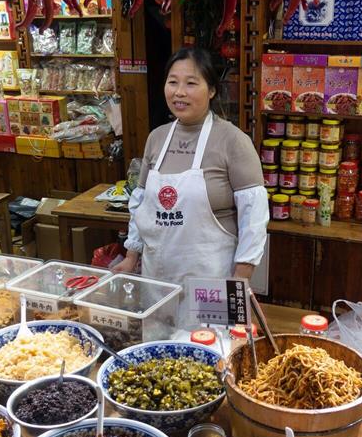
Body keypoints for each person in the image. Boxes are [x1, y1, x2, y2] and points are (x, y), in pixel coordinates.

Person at [114, 47, 269, 286]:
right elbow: (141, 204)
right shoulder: (157, 138)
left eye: (191, 84)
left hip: (212, 278)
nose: (179, 93)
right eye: (173, 82)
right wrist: (131, 255)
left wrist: (241, 276)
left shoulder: (233, 140)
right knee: (158, 323)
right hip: (157, 275)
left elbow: (254, 216)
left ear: (212, 91)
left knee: (203, 327)